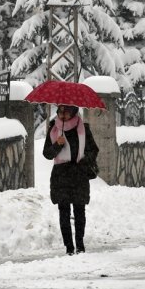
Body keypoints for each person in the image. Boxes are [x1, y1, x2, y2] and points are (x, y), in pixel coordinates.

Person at [43, 105, 99, 255]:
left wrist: (85, 160)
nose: (62, 115)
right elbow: (47, 153)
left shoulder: (83, 129)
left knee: (80, 211)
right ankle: (69, 248)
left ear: (74, 111)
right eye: (60, 111)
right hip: (61, 176)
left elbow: (93, 149)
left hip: (79, 174)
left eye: (66, 111)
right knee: (64, 212)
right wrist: (57, 145)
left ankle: (80, 245)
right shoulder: (54, 129)